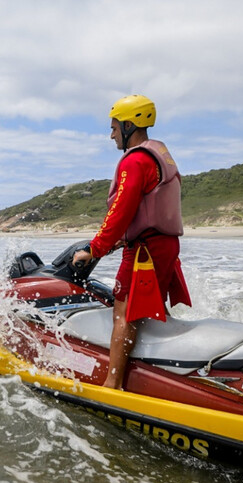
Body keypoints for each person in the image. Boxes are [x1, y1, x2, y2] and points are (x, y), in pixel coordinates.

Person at [72, 94, 191, 389]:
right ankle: (157, 374)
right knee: (149, 309)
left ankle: (113, 383)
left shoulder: (136, 161)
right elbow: (145, 208)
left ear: (129, 126)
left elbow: (121, 210)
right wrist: (115, 243)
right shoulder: (160, 156)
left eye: (114, 127)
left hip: (145, 251)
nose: (111, 134)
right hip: (163, 246)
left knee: (123, 314)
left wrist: (94, 248)